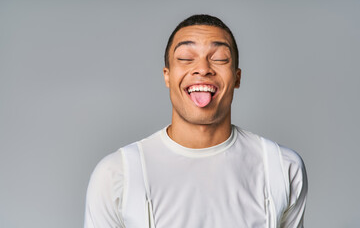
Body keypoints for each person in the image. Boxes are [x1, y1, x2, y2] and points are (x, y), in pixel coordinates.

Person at [84, 14, 308, 228]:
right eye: (185, 59)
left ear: (237, 78)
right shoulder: (116, 174)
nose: (202, 69)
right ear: (167, 76)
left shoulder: (283, 168)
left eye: (219, 58)